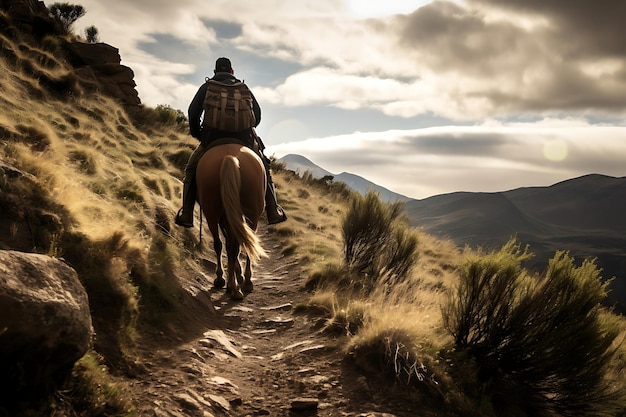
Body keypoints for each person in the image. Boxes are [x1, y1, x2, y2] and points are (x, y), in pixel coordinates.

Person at [175, 57, 287, 228]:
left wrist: (199, 134)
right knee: (264, 166)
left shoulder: (207, 87)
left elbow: (193, 113)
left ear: (215, 72)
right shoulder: (243, 88)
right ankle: (273, 210)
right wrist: (246, 127)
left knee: (191, 169)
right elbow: (257, 114)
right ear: (232, 72)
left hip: (212, 139)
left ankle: (187, 212)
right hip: (243, 140)